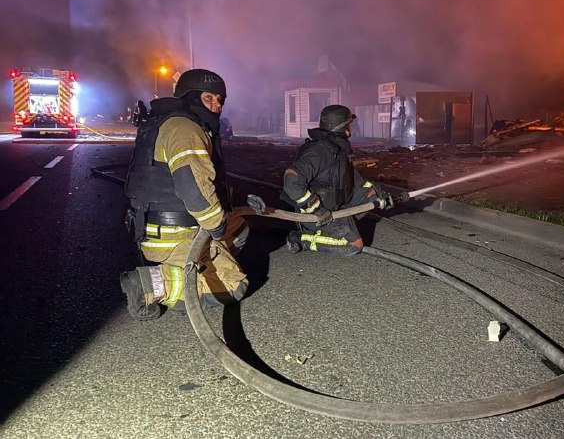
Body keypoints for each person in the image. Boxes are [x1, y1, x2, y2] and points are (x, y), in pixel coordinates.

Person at [120, 69, 249, 321]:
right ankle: (153, 283)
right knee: (234, 285)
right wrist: (215, 225)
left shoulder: (173, 122)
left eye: (220, 99)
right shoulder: (185, 128)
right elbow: (193, 186)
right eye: (209, 98)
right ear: (190, 98)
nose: (217, 105)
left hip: (163, 225)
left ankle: (203, 262)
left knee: (240, 225)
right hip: (177, 234)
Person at [260, 104, 393, 255]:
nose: (352, 127)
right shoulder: (320, 150)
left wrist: (382, 195)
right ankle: (304, 239)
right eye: (350, 123)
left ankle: (341, 225)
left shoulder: (339, 149)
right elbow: (291, 180)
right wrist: (316, 209)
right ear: (345, 127)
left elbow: (357, 182)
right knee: (353, 245)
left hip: (336, 206)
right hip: (317, 214)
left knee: (372, 192)